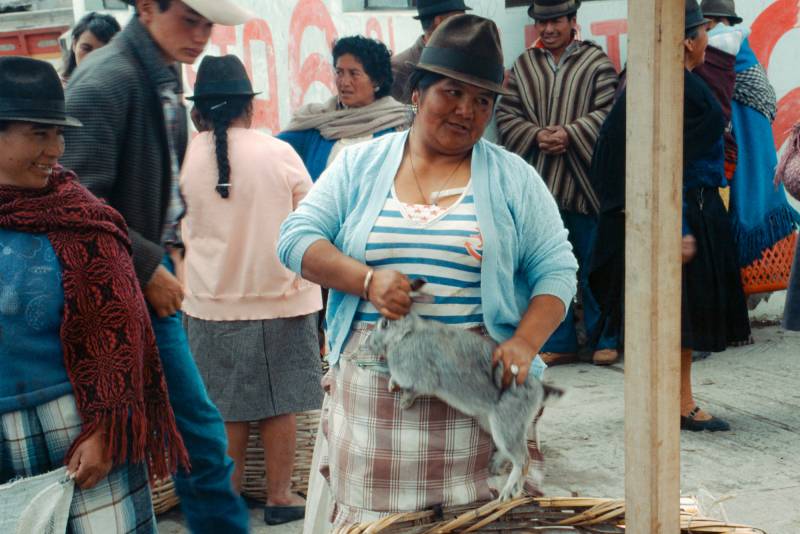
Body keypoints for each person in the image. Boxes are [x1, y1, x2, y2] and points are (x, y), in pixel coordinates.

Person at [278, 14, 578, 527]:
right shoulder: (360, 166)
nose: (466, 110)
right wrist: (366, 280)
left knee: (473, 521)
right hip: (377, 399)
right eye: (452, 92)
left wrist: (525, 342)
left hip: (475, 393)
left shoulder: (513, 179)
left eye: (482, 100)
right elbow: (296, 240)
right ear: (417, 91)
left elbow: (557, 270)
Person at [60, 1, 255, 533]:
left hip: (141, 280)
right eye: (189, 19)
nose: (201, 35)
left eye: (207, 23)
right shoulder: (108, 80)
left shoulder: (160, 70)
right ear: (147, 7)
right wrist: (149, 265)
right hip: (118, 290)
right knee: (201, 440)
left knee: (193, 439)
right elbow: (72, 201)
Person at [0, 56, 188, 533]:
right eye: (39, 134)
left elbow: (122, 339)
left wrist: (106, 433)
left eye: (57, 134)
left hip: (79, 429)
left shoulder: (85, 222)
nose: (55, 149)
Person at [590, 0, 750, 432]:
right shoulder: (678, 91)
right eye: (702, 35)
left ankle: (665, 400)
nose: (706, 44)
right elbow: (663, 162)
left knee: (671, 316)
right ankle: (679, 403)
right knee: (680, 316)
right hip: (685, 213)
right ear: (686, 41)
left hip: (679, 212)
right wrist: (677, 228)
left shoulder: (660, 85)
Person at [180, 55, 324, 526]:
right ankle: (281, 498)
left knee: (224, 408)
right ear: (251, 107)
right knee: (279, 404)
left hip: (207, 304)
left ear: (199, 112)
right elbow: (312, 223)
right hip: (281, 299)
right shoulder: (278, 152)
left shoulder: (186, 157)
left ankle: (231, 495)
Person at [495, 0, 619, 366]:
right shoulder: (523, 67)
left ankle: (603, 339)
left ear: (572, 22)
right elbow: (506, 112)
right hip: (542, 187)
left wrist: (571, 133)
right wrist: (535, 136)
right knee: (548, 269)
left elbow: (608, 112)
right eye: (542, 23)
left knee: (595, 267)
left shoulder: (596, 63)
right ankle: (560, 340)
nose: (548, 30)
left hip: (586, 188)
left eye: (555, 22)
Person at [701, 0, 800, 297]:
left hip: (735, 156)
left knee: (731, 220)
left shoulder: (722, 51)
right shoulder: (748, 60)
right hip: (750, 153)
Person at [277, 35, 410, 183]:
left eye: (354, 74)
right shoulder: (317, 123)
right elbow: (272, 153)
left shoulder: (400, 125)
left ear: (376, 80)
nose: (344, 82)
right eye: (339, 72)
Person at [390, 0, 470, 104]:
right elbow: (402, 115)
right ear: (440, 22)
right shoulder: (399, 69)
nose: (467, 27)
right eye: (460, 21)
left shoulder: (464, 61)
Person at [60, 12, 121, 84]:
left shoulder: (125, 89)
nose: (93, 57)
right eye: (86, 49)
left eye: (102, 52)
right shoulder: (58, 89)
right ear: (74, 44)